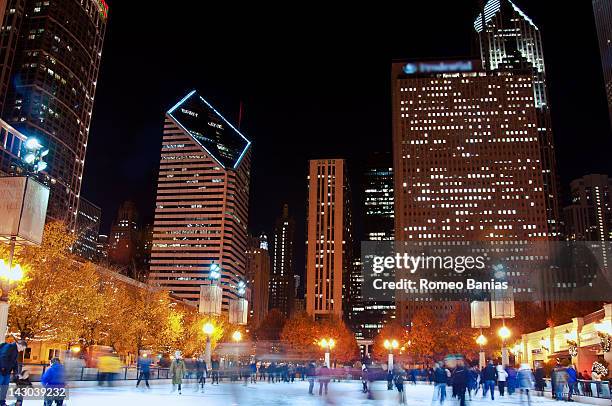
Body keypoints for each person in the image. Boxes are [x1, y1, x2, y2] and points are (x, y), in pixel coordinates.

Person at [0, 339, 26, 406]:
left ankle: (2, 402)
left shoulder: (16, 351)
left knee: (4, 388)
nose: (22, 350)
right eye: (23, 348)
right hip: (1, 372)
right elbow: (3, 357)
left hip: (7, 373)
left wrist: (16, 373)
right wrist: (3, 369)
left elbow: (15, 363)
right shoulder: (9, 346)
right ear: (20, 345)